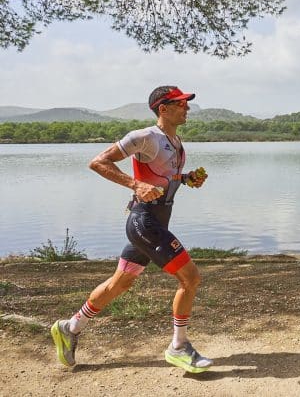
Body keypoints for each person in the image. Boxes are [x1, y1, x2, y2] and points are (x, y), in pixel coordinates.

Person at [50, 85, 212, 373]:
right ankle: (179, 347)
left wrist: (186, 178)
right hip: (144, 222)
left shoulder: (175, 141)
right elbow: (99, 162)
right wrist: (135, 184)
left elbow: (164, 177)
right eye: (181, 103)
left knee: (120, 284)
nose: (187, 108)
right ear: (163, 108)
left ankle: (71, 327)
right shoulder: (144, 136)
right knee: (190, 279)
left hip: (156, 221)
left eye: (186, 103)